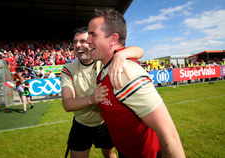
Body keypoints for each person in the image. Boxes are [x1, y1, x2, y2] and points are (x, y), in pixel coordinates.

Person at [86, 8, 185, 158]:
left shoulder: (126, 73)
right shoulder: (107, 66)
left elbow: (169, 134)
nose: (88, 40)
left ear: (113, 39)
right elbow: (139, 50)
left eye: (92, 35)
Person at [61, 26, 144, 158]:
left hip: (105, 123)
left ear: (91, 42)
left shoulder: (103, 60)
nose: (77, 45)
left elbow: (139, 51)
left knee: (110, 155)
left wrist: (121, 54)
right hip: (81, 124)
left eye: (82, 41)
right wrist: (91, 99)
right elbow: (67, 104)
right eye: (74, 42)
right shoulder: (68, 69)